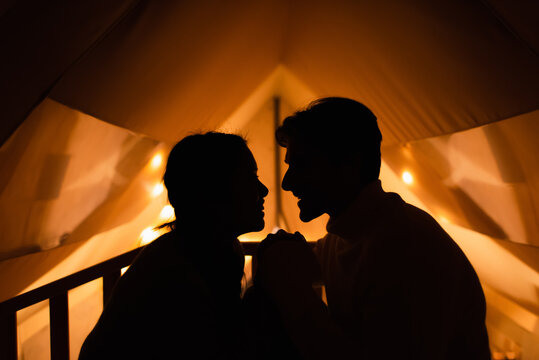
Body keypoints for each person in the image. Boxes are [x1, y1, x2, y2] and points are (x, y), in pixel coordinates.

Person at [254, 97, 491, 359]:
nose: (287, 183)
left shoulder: (403, 246)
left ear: (349, 164)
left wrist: (296, 298)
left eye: (301, 164)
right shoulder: (347, 236)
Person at [79, 132, 268, 359]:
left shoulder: (218, 250)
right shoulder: (175, 275)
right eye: (249, 177)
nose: (263, 190)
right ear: (212, 192)